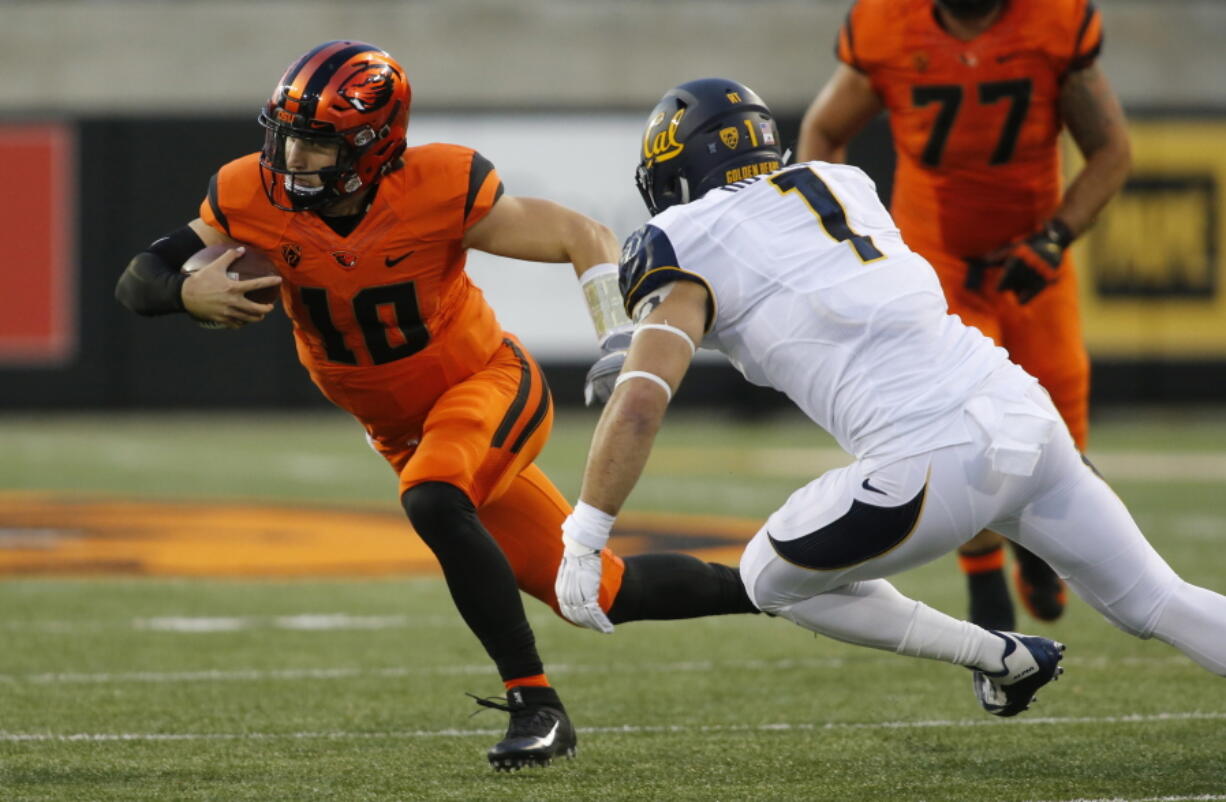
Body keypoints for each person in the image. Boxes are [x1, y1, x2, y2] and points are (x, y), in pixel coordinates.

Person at [115, 41, 757, 772]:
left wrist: (617, 339)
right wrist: (183, 292)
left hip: (484, 385)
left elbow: (584, 234)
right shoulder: (248, 195)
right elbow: (140, 278)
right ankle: (780, 586)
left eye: (316, 144)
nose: (292, 158)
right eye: (287, 136)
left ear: (370, 144)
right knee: (598, 590)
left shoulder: (437, 186)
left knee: (432, 495)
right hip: (400, 431)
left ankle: (536, 706)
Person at [554, 79, 1226, 720]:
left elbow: (641, 404)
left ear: (679, 170)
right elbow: (802, 286)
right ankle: (1006, 655)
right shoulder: (842, 183)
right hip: (1024, 414)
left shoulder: (682, 237)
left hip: (933, 459)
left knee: (767, 577)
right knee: (1162, 600)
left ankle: (999, 655)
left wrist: (585, 539)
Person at [794, 0, 1132, 631]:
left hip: (1032, 256)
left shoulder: (1053, 23)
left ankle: (1034, 553)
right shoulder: (887, 25)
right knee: (959, 426)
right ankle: (985, 587)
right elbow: (822, 132)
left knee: (1060, 431)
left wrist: (1056, 235)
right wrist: (841, 234)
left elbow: (1111, 150)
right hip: (936, 260)